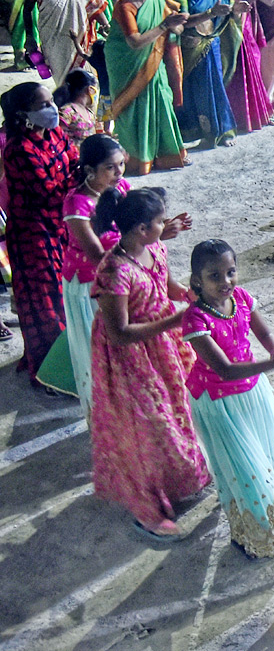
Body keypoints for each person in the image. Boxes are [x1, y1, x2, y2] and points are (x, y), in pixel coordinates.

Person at [90, 187, 210, 538]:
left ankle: (174, 480)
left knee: (178, 410)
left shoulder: (154, 247)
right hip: (130, 357)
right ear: (141, 228)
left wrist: (192, 297)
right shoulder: (114, 270)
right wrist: (176, 321)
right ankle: (146, 510)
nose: (166, 226)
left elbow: (166, 285)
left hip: (163, 344)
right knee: (145, 426)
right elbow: (119, 333)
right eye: (160, 222)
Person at [183, 239, 274, 557]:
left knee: (267, 455)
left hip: (252, 391)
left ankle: (272, 522)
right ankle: (254, 535)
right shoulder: (195, 319)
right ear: (197, 280)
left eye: (231, 272)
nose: (226, 282)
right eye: (215, 276)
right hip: (219, 401)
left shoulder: (240, 297)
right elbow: (224, 369)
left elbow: (262, 332)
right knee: (241, 466)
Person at [1, 83, 77, 384]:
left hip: (60, 226)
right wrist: (84, 180)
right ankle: (49, 371)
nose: (52, 109)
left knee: (66, 293)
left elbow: (75, 163)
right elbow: (49, 191)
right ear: (23, 115)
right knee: (46, 302)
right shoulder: (18, 150)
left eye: (52, 102)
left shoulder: (57, 134)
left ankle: (68, 360)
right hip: (32, 234)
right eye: (43, 105)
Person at [56, 134, 129, 414]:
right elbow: (98, 257)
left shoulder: (120, 188)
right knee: (99, 351)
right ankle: (107, 415)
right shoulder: (76, 205)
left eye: (121, 165)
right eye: (111, 167)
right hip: (90, 286)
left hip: (121, 278)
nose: (119, 173)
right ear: (89, 171)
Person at [106, 0, 188, 174]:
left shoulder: (158, 2)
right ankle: (136, 160)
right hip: (127, 65)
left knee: (161, 104)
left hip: (153, 63)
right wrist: (164, 26)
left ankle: (166, 155)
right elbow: (134, 42)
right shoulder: (124, 6)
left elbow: (180, 24)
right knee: (134, 109)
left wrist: (211, 13)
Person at [167, 0, 240, 149]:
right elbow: (184, 20)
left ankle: (223, 131)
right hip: (190, 49)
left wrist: (237, 8)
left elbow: (230, 7)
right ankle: (200, 132)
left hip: (212, 45)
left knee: (215, 88)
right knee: (196, 92)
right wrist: (211, 12)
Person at [207, 0, 274, 133]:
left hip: (246, 23)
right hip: (227, 28)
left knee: (253, 66)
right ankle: (240, 119)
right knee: (235, 71)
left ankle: (260, 114)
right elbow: (229, 4)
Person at [22, 0, 109, 86]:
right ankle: (67, 105)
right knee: (62, 77)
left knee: (87, 78)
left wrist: (106, 26)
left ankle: (85, 106)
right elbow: (27, 10)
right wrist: (30, 37)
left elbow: (95, 7)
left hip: (80, 37)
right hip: (52, 38)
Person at [52, 68, 100, 147]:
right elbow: (58, 137)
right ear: (90, 90)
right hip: (71, 156)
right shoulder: (68, 111)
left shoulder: (90, 113)